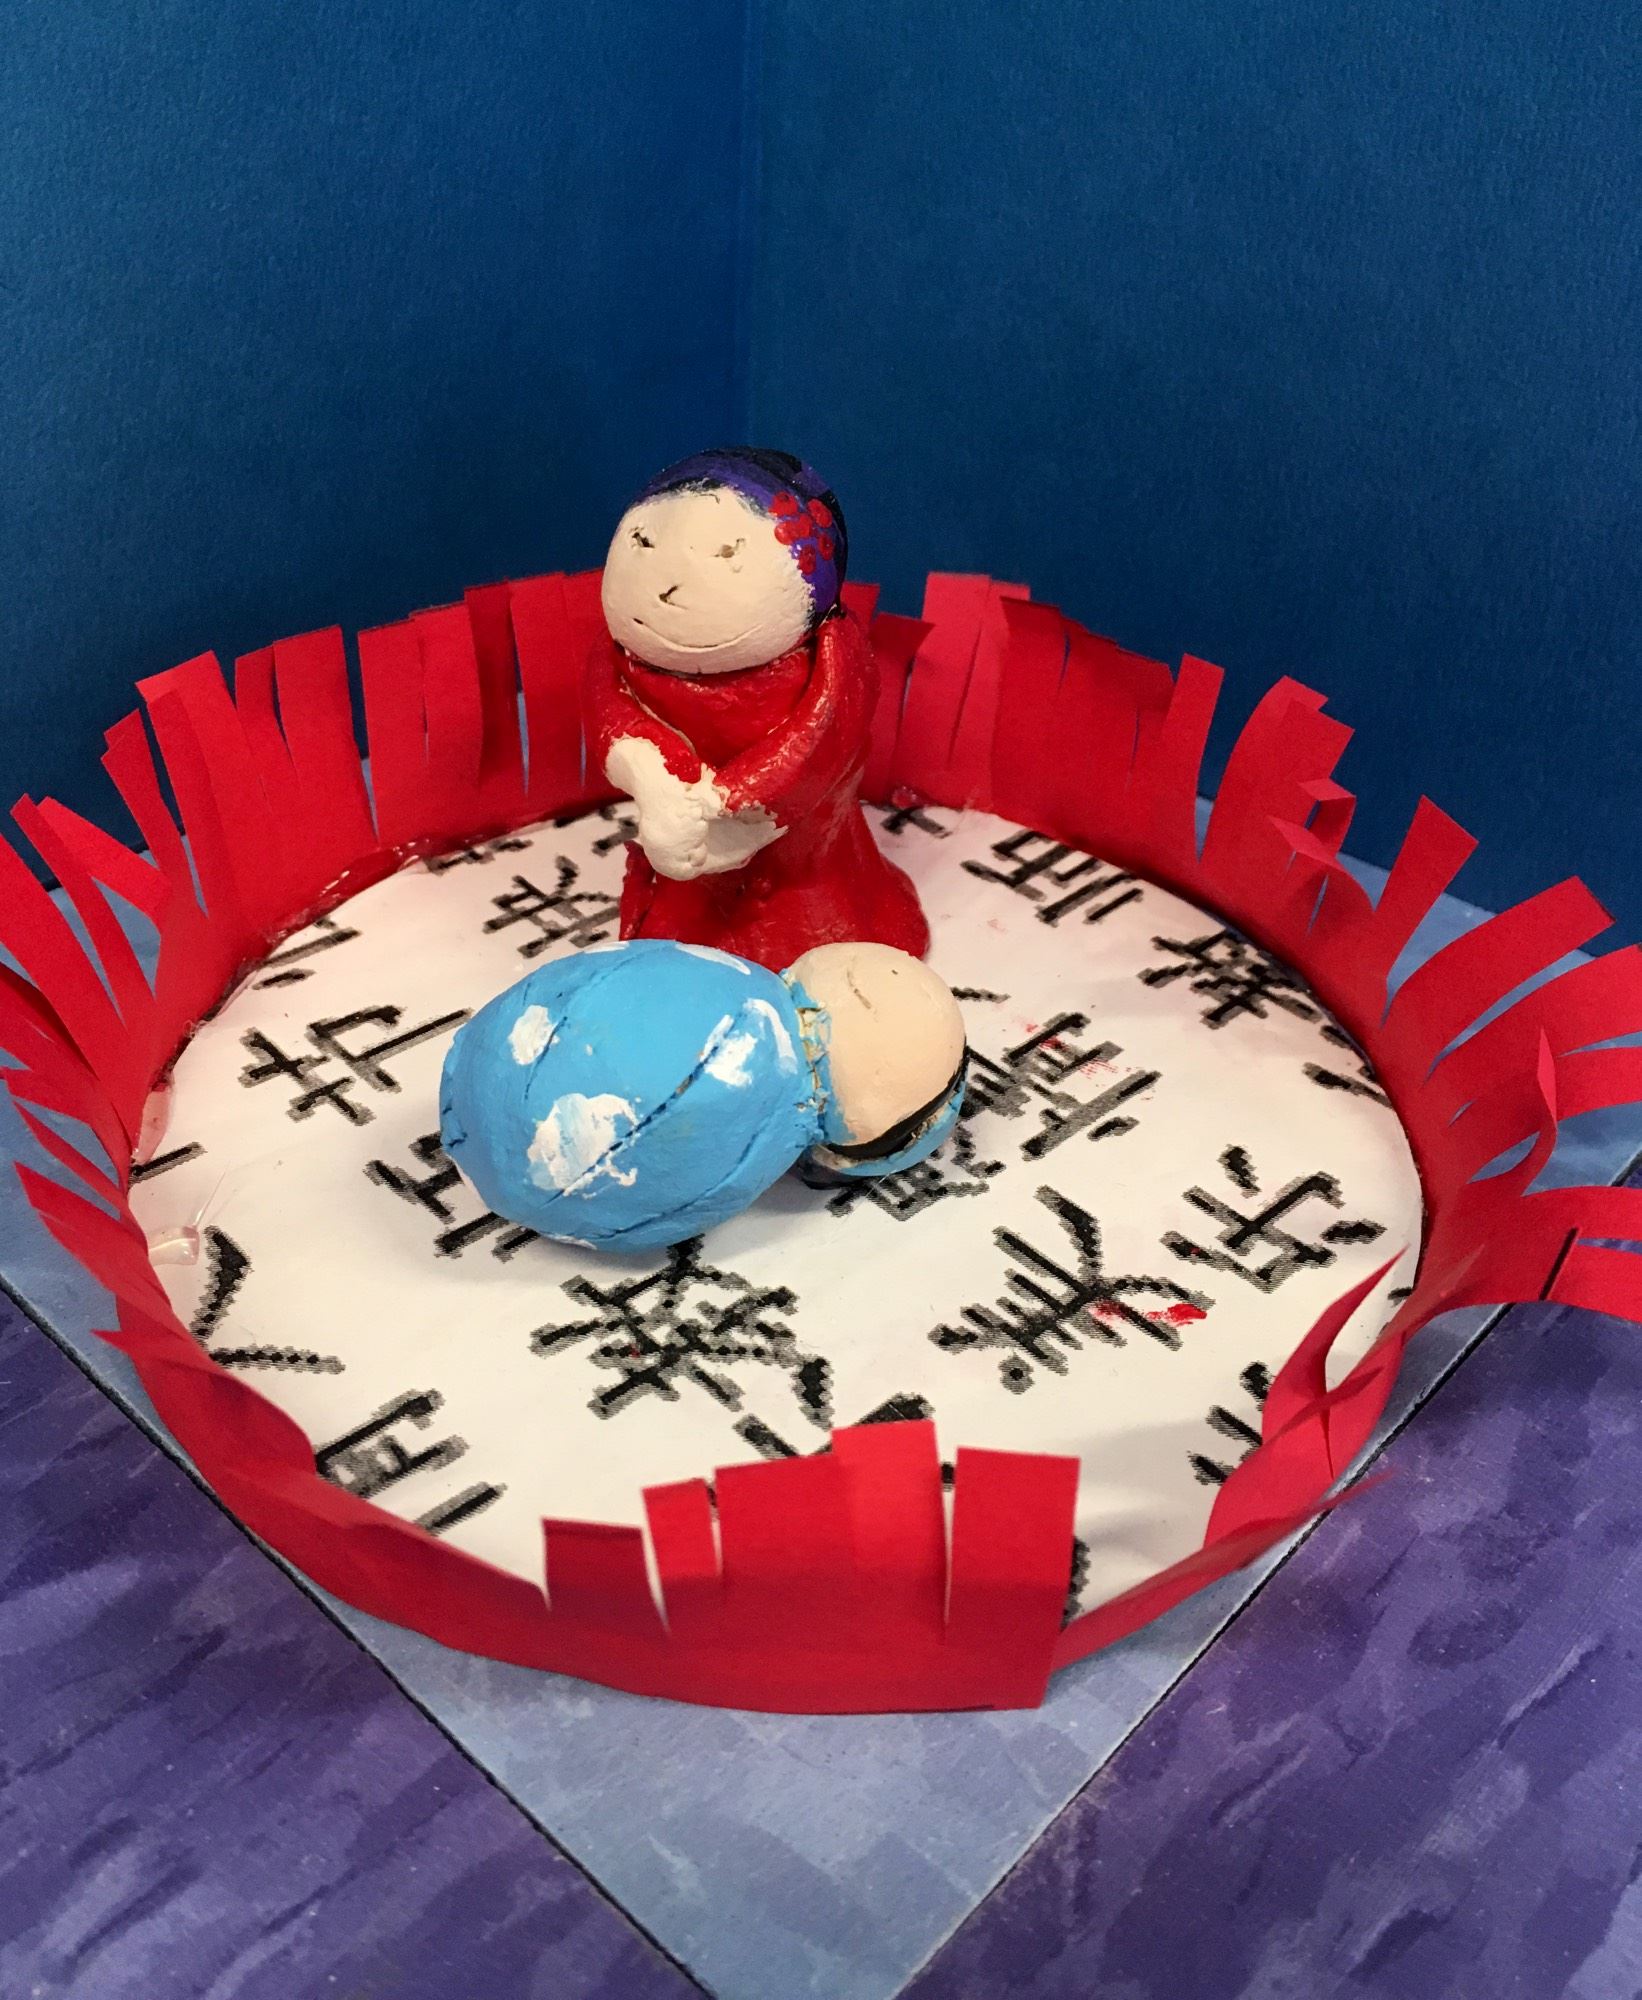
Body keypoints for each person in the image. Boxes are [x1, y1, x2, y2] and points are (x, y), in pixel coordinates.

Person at [587, 447, 929, 969]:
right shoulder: (621, 657)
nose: (665, 588)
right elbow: (611, 716)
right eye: (642, 542)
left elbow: (819, 745)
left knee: (812, 921)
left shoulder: (833, 660)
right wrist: (656, 782)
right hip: (685, 859)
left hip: (802, 850)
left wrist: (729, 806)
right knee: (686, 917)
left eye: (727, 554)